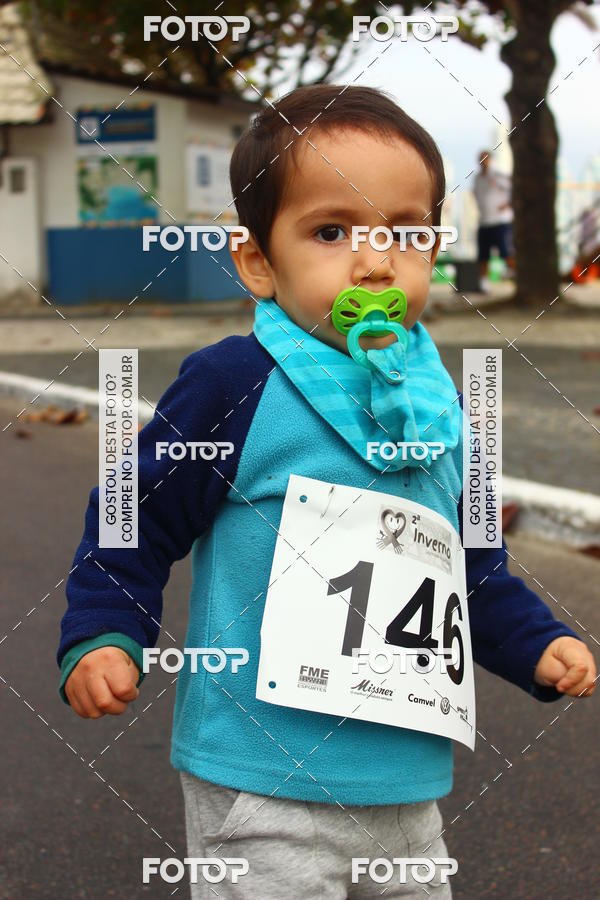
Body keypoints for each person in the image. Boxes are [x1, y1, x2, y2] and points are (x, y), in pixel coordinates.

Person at [57, 85, 596, 899]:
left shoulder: (443, 408)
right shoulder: (234, 383)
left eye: (407, 232)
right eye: (333, 231)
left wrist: (533, 642)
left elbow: (471, 565)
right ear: (258, 261)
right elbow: (138, 510)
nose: (376, 261)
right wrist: (103, 627)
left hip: (406, 781)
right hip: (258, 778)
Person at [473, 150, 514, 292]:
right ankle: (483, 284)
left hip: (501, 222)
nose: (483, 161)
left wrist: (507, 204)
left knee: (506, 253)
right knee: (483, 256)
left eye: (485, 158)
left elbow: (514, 190)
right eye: (480, 158)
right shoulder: (477, 178)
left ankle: (516, 278)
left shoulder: (498, 176)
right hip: (484, 222)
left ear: (490, 160)